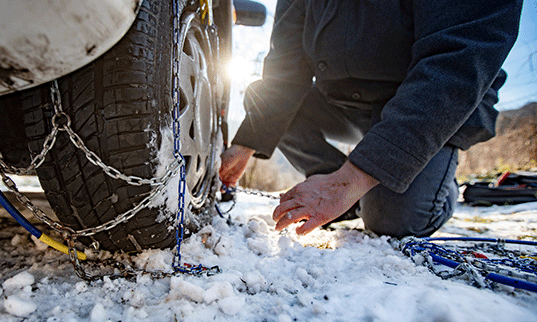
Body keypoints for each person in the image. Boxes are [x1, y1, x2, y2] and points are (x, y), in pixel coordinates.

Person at [219, 0, 523, 237]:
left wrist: (352, 179)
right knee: (261, 95)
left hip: (427, 104)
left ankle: (433, 181)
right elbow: (285, 69)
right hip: (343, 104)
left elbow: (457, 61)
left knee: (392, 219)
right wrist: (246, 142)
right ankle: (343, 191)